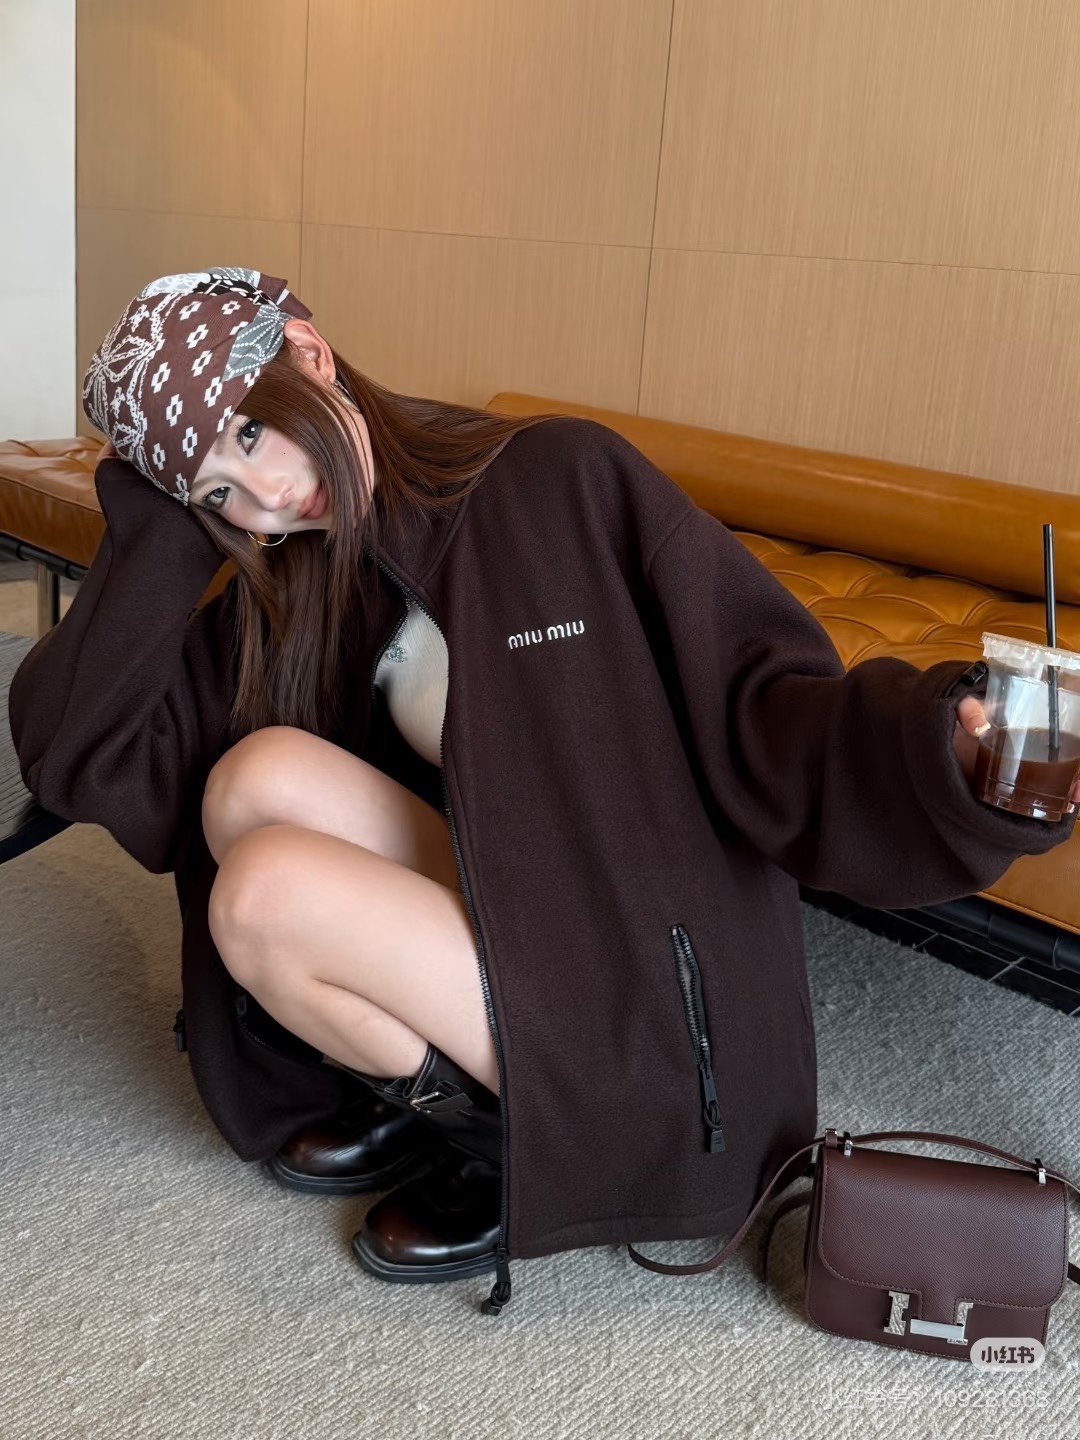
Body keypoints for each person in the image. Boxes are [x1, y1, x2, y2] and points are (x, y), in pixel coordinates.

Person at [10, 267, 1078, 1314]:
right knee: (253, 779)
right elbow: (77, 756)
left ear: (310, 354)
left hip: (648, 1000)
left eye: (252, 436)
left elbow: (767, 706)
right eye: (220, 494)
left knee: (263, 894)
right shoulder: (302, 576)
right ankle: (468, 1112)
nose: (271, 499)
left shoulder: (558, 481)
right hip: (526, 921)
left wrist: (941, 749)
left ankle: (533, 1140)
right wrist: (156, 506)